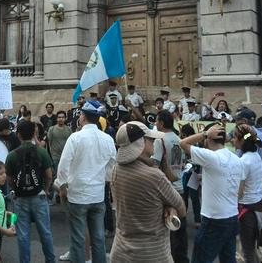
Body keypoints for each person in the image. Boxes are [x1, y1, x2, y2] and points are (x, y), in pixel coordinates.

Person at [110, 121, 186, 263]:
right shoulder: (154, 176)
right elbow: (181, 208)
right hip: (152, 254)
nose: (153, 142)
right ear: (141, 143)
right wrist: (170, 207)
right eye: (150, 139)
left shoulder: (116, 169)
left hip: (121, 252)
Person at [57, 101, 116, 263]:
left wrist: (62, 185)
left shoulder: (75, 138)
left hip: (78, 195)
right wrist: (102, 180)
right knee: (98, 239)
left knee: (78, 239)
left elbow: (63, 166)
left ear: (83, 117)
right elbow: (112, 167)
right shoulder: (107, 139)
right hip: (97, 195)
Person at [180, 122, 245, 263]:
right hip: (232, 217)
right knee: (228, 259)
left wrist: (204, 133)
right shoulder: (236, 159)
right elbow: (240, 192)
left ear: (209, 138)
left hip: (214, 220)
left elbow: (183, 143)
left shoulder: (211, 157)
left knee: (199, 259)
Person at [5, 119, 55, 263]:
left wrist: (16, 190)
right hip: (39, 197)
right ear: (34, 133)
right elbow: (49, 175)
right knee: (45, 232)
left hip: (20, 198)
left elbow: (9, 179)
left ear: (18, 135)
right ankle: (50, 260)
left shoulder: (12, 155)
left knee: (23, 235)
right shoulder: (41, 152)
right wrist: (45, 190)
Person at [151, 111, 188, 263]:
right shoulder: (179, 139)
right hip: (180, 187)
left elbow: (154, 164)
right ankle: (182, 258)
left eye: (157, 120)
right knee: (180, 228)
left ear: (161, 122)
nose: (155, 123)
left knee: (166, 229)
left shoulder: (159, 140)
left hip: (166, 188)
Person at [232, 124, 262, 263]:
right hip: (259, 207)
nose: (232, 140)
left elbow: (239, 192)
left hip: (247, 210)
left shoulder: (243, 161)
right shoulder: (255, 155)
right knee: (255, 248)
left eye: (234, 137)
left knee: (247, 251)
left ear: (241, 140)